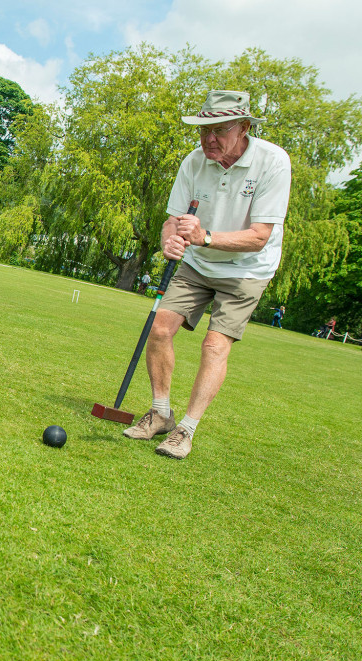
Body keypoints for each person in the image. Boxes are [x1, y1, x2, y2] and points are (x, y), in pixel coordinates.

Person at [122, 90, 292, 460]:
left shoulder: (273, 162)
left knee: (214, 345)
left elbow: (260, 236)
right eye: (203, 131)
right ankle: (161, 413)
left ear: (244, 127)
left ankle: (186, 429)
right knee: (160, 328)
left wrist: (205, 236)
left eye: (219, 130)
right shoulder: (194, 162)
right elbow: (173, 220)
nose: (209, 140)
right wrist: (170, 242)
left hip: (248, 268)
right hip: (198, 264)